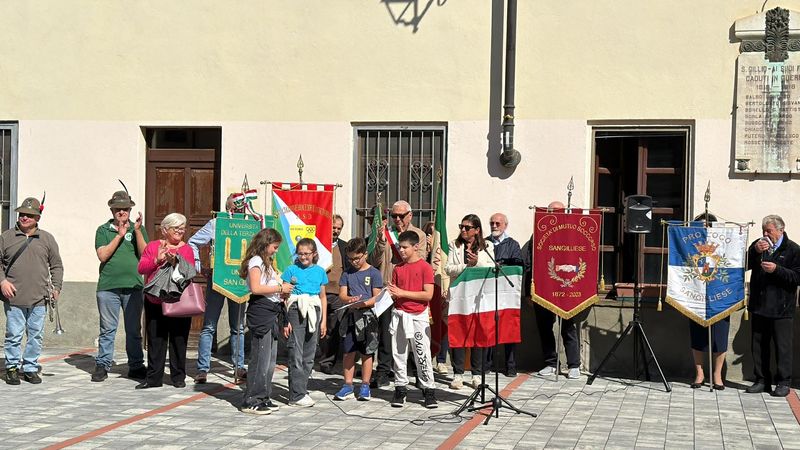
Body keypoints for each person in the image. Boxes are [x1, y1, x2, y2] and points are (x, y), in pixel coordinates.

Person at [1, 197, 63, 385]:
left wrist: (57, 287)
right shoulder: (6, 237)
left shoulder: (47, 238)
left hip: (39, 298)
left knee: (36, 335)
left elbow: (56, 265)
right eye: (22, 214)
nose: (24, 217)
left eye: (29, 215)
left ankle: (29, 368)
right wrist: (2, 281)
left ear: (38, 217)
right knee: (14, 334)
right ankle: (11, 367)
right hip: (14, 298)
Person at [368, 200, 428, 388]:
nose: (397, 219)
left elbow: (421, 260)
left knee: (414, 335)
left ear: (410, 215)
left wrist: (404, 246)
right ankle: (384, 372)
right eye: (394, 216)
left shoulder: (418, 235)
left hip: (410, 290)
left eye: (401, 216)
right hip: (389, 288)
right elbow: (373, 260)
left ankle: (418, 373)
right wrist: (379, 241)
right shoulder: (384, 233)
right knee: (387, 333)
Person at [188, 194, 247, 384]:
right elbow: (193, 243)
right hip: (218, 279)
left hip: (240, 281)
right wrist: (200, 268)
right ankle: (202, 368)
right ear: (227, 208)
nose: (238, 211)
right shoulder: (216, 223)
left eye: (241, 208)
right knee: (209, 325)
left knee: (237, 326)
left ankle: (239, 367)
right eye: (234, 208)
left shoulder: (250, 224)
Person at [92, 189, 148, 382]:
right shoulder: (103, 230)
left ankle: (136, 365)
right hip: (108, 287)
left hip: (133, 286)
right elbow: (102, 255)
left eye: (125, 208)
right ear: (112, 210)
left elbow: (144, 255)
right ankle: (103, 365)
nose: (121, 212)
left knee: (134, 329)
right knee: (107, 329)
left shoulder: (137, 228)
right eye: (118, 209)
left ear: (130, 210)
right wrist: (119, 235)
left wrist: (137, 232)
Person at [136, 213, 196, 389]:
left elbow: (190, 272)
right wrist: (158, 260)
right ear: (164, 230)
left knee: (179, 339)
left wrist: (177, 261)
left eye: (182, 228)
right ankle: (154, 378)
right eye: (176, 228)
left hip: (178, 300)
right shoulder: (153, 246)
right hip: (154, 300)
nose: (180, 231)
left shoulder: (187, 249)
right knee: (156, 339)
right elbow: (141, 267)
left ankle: (178, 377)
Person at [745, 214, 800, 397]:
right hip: (759, 305)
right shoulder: (759, 245)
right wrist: (755, 251)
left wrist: (777, 270)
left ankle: (783, 381)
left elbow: (797, 277)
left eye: (769, 231)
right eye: (763, 230)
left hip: (782, 307)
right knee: (759, 345)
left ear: (781, 230)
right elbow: (744, 264)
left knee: (782, 347)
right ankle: (762, 380)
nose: (765, 234)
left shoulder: (793, 249)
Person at [239, 228, 292, 415]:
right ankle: (252, 399)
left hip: (272, 311)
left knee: (270, 360)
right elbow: (255, 287)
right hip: (261, 311)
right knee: (260, 359)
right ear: (265, 244)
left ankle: (264, 396)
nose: (276, 250)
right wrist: (280, 287)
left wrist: (283, 290)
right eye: (274, 247)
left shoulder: (267, 263)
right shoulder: (256, 261)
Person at [529, 201, 581, 379]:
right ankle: (551, 362)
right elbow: (530, 262)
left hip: (567, 289)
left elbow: (582, 256)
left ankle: (574, 365)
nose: (552, 214)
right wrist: (530, 290)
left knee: (568, 328)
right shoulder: (537, 234)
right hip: (543, 289)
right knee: (545, 328)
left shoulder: (573, 233)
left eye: (556, 211)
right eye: (550, 211)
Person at [444, 214, 495, 390]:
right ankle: (458, 374)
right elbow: (448, 268)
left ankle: (476, 375)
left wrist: (477, 262)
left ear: (477, 230)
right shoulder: (454, 244)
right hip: (459, 295)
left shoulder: (487, 246)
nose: (463, 230)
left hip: (478, 297)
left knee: (477, 336)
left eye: (467, 227)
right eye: (461, 226)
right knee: (459, 334)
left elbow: (491, 268)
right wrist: (467, 266)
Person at [388, 231, 437, 408]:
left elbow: (428, 294)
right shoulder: (398, 268)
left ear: (416, 247)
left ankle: (429, 389)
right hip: (400, 314)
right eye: (400, 247)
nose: (401, 250)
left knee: (422, 353)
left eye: (404, 247)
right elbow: (395, 294)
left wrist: (403, 293)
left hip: (418, 316)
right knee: (399, 353)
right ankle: (400, 388)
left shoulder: (425, 267)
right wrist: (390, 294)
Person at [334, 237, 382, 401]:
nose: (353, 261)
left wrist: (364, 303)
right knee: (348, 351)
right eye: (350, 258)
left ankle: (365, 386)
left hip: (368, 319)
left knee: (367, 352)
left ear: (365, 255)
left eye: (357, 258)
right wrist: (349, 300)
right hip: (350, 317)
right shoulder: (347, 273)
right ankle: (347, 385)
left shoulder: (374, 273)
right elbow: (342, 294)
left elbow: (377, 297)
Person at [281, 238, 328, 407]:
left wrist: (324, 321)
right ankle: (297, 394)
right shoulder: (290, 270)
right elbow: (284, 297)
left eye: (306, 254)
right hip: (296, 309)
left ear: (314, 254)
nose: (303, 257)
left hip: (314, 310)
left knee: (309, 353)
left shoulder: (320, 271)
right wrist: (286, 320)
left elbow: (323, 297)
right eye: (300, 254)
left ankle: (300, 388)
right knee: (296, 351)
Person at [687, 213, 730, 390]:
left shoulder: (725, 245)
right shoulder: (689, 245)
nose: (704, 228)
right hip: (696, 296)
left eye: (707, 225)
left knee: (720, 337)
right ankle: (699, 373)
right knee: (697, 336)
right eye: (700, 226)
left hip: (720, 296)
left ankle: (717, 374)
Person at [485, 212, 523, 377]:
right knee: (488, 328)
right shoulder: (484, 243)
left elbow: (519, 264)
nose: (494, 226)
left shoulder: (513, 244)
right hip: (487, 292)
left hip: (507, 294)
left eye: (497, 223)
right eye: (492, 223)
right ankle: (486, 365)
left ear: (505, 225)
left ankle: (510, 366)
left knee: (508, 328)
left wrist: (503, 263)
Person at [318, 214, 352, 374]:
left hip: (338, 294)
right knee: (315, 327)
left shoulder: (344, 247)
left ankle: (327, 362)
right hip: (318, 293)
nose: (336, 231)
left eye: (339, 228)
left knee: (333, 329)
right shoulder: (317, 245)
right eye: (333, 227)